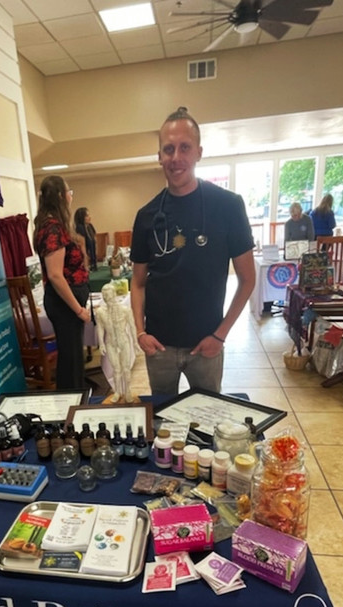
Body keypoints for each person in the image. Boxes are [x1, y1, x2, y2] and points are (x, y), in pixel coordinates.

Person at [130, 106, 255, 397]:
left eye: (184, 148)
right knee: (163, 428)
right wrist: (140, 333)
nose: (176, 158)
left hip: (206, 346)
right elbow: (137, 282)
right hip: (159, 348)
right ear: (159, 156)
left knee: (208, 426)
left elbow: (247, 280)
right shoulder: (146, 215)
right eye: (168, 149)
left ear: (198, 152)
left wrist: (220, 336)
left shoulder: (228, 206)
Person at [33, 176, 90, 390]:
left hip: (67, 301)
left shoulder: (53, 225)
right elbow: (55, 275)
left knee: (73, 359)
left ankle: (76, 403)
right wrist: (78, 310)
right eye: (69, 191)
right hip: (65, 304)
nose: (71, 195)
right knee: (70, 361)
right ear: (59, 195)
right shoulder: (52, 228)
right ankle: (72, 408)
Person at [95, 283, 140, 403]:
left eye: (109, 296)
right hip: (110, 342)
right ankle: (118, 391)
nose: (107, 299)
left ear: (114, 295)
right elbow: (100, 328)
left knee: (126, 369)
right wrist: (101, 343)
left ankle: (128, 391)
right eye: (105, 297)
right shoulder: (100, 312)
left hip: (123, 340)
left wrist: (135, 343)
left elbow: (132, 326)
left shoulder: (125, 310)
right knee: (116, 369)